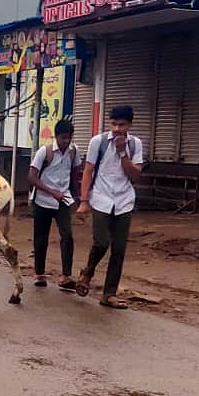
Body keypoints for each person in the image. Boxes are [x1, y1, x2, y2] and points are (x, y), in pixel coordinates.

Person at [76, 105, 144, 309]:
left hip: (124, 201)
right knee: (102, 242)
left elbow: (135, 175)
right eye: (113, 124)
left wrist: (123, 153)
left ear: (129, 125)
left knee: (119, 249)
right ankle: (87, 272)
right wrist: (84, 200)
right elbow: (88, 171)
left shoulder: (135, 144)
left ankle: (109, 294)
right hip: (101, 198)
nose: (116, 129)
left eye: (121, 125)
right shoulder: (98, 142)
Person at [28, 118, 82, 290]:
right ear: (56, 136)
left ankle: (66, 275)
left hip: (64, 200)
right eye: (63, 138)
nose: (66, 141)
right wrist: (52, 192)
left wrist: (78, 197)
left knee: (67, 236)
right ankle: (39, 273)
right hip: (43, 200)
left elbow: (75, 174)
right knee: (41, 238)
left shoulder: (74, 152)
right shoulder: (45, 152)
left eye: (69, 138)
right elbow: (32, 176)